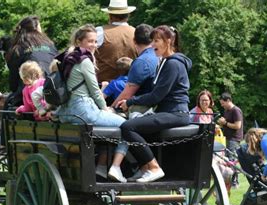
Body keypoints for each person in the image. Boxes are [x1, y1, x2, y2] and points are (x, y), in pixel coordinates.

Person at [55, 24, 129, 183]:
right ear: (79, 41)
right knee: (127, 125)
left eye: (96, 41)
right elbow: (95, 90)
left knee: (107, 128)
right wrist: (105, 109)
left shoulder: (67, 58)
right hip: (84, 111)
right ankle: (116, 168)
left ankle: (101, 168)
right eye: (90, 41)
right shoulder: (84, 60)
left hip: (66, 111)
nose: (94, 45)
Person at [118, 25, 192, 183]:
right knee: (134, 125)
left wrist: (130, 101)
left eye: (157, 40)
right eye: (152, 41)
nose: (152, 45)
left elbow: (156, 96)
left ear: (169, 41)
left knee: (128, 127)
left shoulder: (173, 64)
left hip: (176, 114)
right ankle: (144, 168)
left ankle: (153, 167)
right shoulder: (165, 62)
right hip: (168, 112)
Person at [5, 15, 57, 108]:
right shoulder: (51, 46)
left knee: (7, 105)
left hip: (30, 96)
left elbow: (13, 84)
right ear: (37, 29)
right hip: (54, 93)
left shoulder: (17, 49)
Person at [112, 23, 159, 119]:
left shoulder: (141, 62)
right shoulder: (159, 56)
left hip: (143, 110)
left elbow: (127, 94)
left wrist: (111, 109)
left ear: (134, 41)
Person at [95, 0, 137, 83]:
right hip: (130, 86)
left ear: (110, 16)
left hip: (103, 86)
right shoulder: (136, 32)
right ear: (128, 15)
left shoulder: (99, 31)